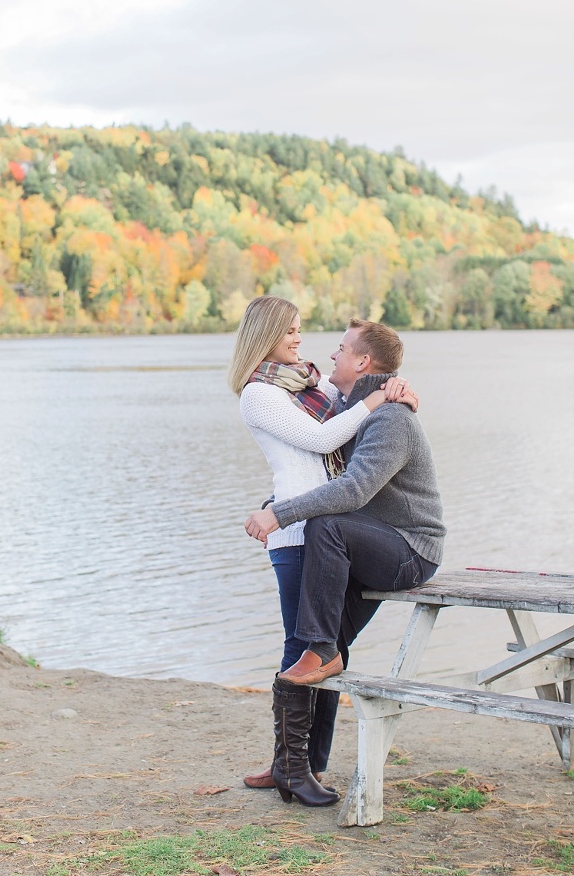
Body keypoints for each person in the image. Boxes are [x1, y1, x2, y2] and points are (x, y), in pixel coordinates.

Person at [244, 317, 445, 807]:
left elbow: (352, 490)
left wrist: (279, 513)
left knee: (325, 537)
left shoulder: (390, 417)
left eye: (340, 348)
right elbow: (325, 455)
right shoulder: (354, 409)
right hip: (372, 543)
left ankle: (301, 747)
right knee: (322, 646)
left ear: (362, 362)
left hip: (410, 549)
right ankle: (300, 766)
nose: (330, 355)